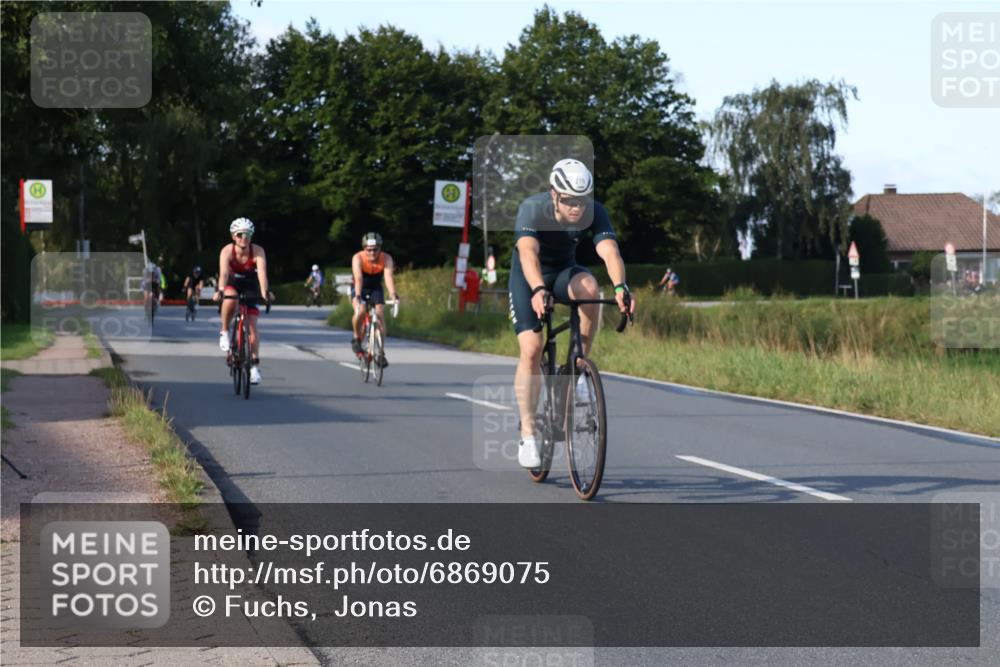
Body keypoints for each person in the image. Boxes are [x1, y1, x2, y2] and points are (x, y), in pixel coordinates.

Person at [508, 158, 635, 469]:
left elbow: (609, 251)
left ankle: (577, 362)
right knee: (532, 349)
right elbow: (527, 252)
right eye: (569, 201)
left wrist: (621, 287)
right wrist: (539, 290)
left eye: (583, 201)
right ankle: (528, 433)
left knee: (591, 287)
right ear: (554, 194)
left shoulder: (594, 211)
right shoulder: (533, 208)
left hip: (564, 274)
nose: (577, 208)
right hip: (529, 278)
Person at [213, 217, 274, 385]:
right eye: (240, 234)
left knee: (253, 329)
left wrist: (264, 292)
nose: (243, 238)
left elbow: (262, 274)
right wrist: (220, 290)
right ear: (233, 236)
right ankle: (224, 332)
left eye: (247, 234)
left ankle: (254, 366)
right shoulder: (227, 251)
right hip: (232, 283)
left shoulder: (258, 251)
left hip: (250, 284)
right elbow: (224, 274)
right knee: (230, 299)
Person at [350, 232, 399, 367]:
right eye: (368, 250)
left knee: (380, 314)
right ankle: (356, 337)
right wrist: (358, 296)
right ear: (364, 249)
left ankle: (381, 353)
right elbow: (358, 279)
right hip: (360, 287)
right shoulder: (357, 258)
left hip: (376, 288)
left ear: (380, 248)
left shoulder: (386, 258)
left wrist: (393, 293)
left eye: (375, 249)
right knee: (361, 311)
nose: (372, 253)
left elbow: (388, 278)